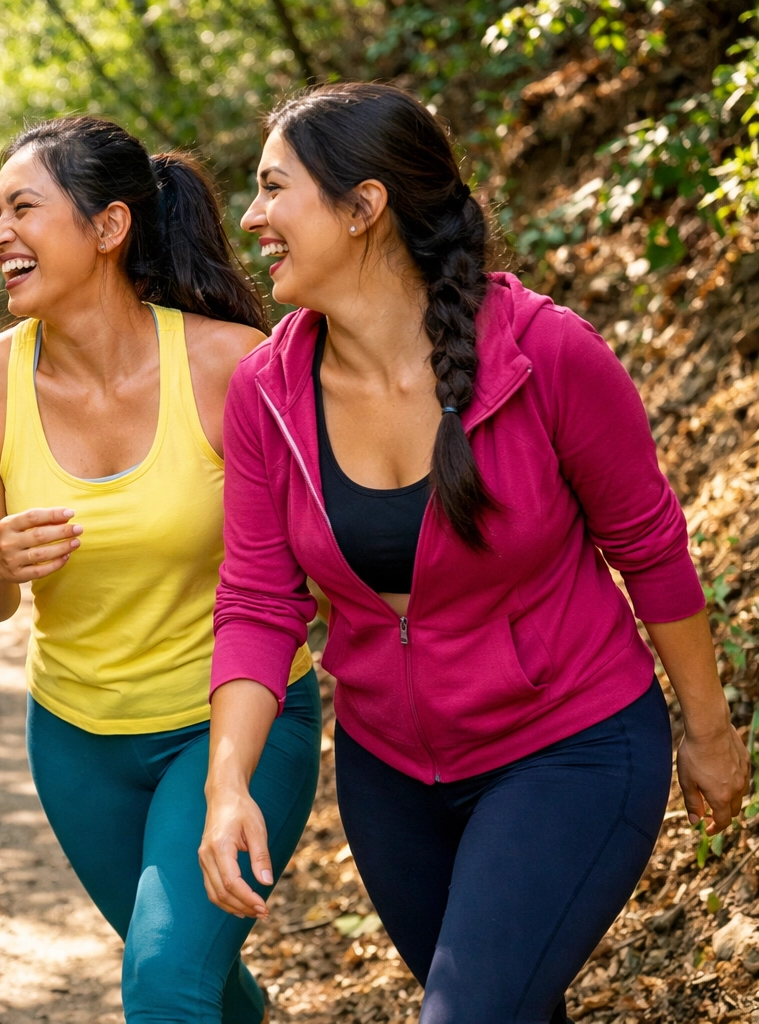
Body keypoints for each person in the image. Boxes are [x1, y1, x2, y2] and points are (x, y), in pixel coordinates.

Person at [203, 81, 752, 1023]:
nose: (251, 218)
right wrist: (225, 786)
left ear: (364, 206)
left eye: (272, 188)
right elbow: (258, 600)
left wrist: (707, 729)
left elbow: (649, 546)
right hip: (391, 774)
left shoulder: (547, 353)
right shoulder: (265, 392)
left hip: (571, 744)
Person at [0, 115, 321, 1023]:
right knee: (200, 985)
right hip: (78, 745)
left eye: (23, 209)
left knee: (163, 980)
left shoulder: (232, 365)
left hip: (231, 728)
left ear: (108, 229)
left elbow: (311, 559)